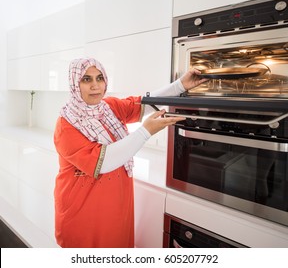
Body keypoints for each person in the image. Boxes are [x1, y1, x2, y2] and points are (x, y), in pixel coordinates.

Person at [53, 58, 206, 248]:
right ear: (75, 84)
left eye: (99, 78)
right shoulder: (66, 125)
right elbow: (104, 161)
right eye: (86, 79)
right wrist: (145, 131)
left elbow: (144, 104)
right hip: (84, 214)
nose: (95, 86)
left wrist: (180, 85)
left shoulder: (108, 107)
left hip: (115, 209)